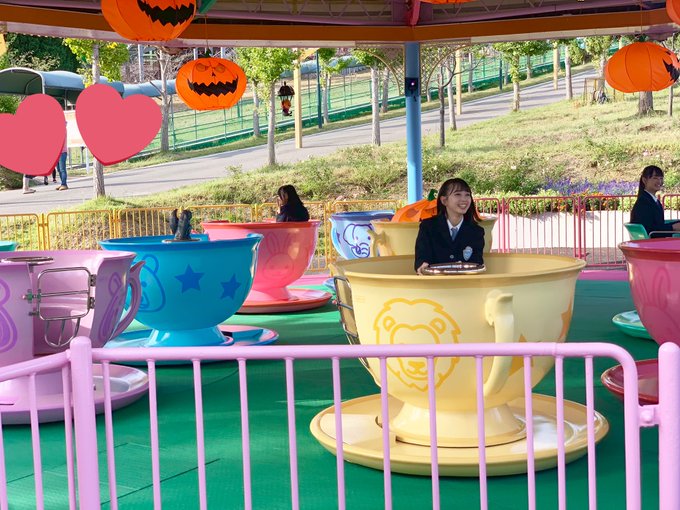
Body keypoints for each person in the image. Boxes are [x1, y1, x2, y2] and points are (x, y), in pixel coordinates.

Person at [415, 177, 485, 274]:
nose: (464, 199)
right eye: (458, 194)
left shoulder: (476, 232)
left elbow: (477, 262)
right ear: (444, 200)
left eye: (467, 195)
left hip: (464, 282)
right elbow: (421, 257)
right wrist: (422, 266)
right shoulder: (428, 227)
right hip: (435, 281)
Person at [630, 165, 680, 237]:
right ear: (644, 180)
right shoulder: (644, 203)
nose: (659, 181)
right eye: (655, 178)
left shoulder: (652, 200)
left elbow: (658, 226)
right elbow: (650, 231)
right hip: (651, 242)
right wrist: (673, 227)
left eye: (661, 178)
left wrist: (675, 225)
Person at [56, 124, 68, 190]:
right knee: (59, 169)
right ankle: (62, 183)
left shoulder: (63, 129)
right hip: (57, 153)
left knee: (62, 169)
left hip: (62, 152)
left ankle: (64, 184)